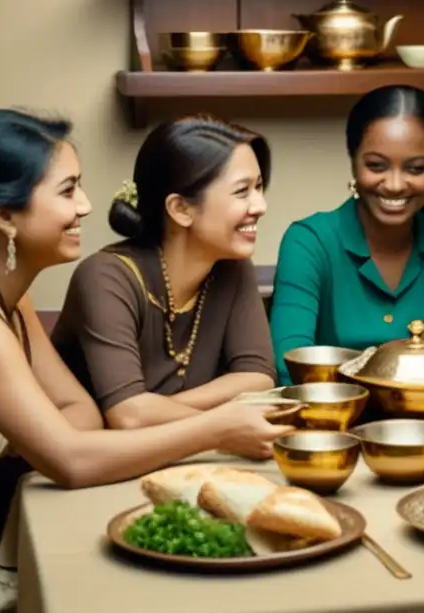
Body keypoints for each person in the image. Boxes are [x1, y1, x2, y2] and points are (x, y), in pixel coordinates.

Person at [0, 110, 292, 613]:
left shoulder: (4, 301)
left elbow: (79, 418)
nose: (86, 206)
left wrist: (68, 443)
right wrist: (217, 429)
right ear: (5, 216)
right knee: (94, 609)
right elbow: (73, 459)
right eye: (67, 191)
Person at [52, 115, 278, 429]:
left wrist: (154, 410)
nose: (260, 205)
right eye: (242, 191)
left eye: (259, 187)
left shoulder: (231, 265)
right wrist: (221, 420)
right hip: (102, 465)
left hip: (188, 455)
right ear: (180, 209)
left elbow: (257, 377)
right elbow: (128, 416)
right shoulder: (106, 278)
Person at [270, 85, 424, 385]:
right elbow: (291, 366)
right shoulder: (309, 242)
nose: (394, 184)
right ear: (353, 161)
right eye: (376, 166)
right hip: (333, 421)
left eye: (415, 168)